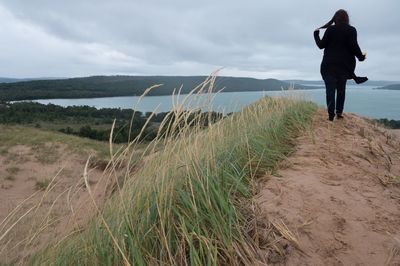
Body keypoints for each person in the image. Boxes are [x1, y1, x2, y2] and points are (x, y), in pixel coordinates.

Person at [314, 9, 367, 121]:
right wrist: (361, 57)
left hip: (328, 66)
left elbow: (321, 45)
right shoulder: (351, 30)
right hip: (343, 67)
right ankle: (339, 113)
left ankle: (330, 116)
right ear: (347, 19)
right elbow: (354, 46)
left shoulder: (330, 29)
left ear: (335, 19)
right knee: (341, 90)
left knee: (330, 91)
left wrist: (316, 35)